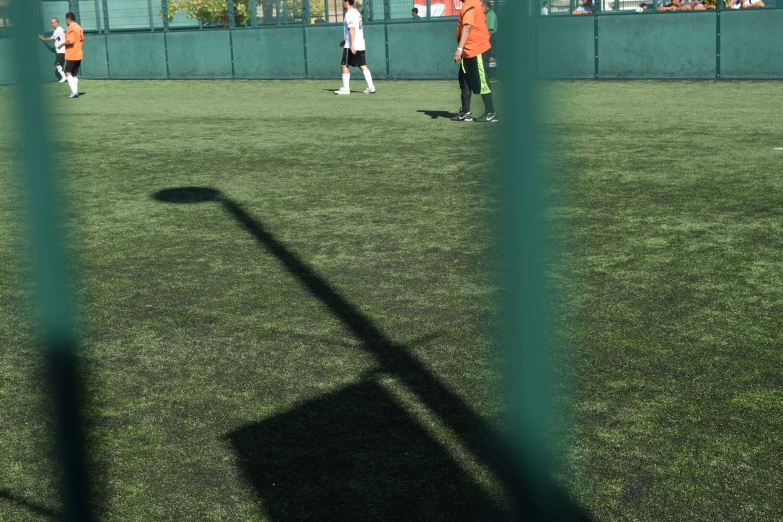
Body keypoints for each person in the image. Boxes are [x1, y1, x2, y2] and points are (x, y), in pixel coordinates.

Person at [451, 0, 497, 122]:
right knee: (464, 79)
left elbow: (467, 26)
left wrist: (459, 49)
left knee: (482, 81)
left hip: (476, 49)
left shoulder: (470, 3)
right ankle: (466, 113)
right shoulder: (474, 3)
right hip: (469, 50)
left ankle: (491, 113)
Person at [334, 0, 376, 95]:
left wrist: (352, 44)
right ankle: (371, 87)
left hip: (352, 45)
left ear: (347, 2)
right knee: (362, 64)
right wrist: (345, 40)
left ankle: (346, 89)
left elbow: (352, 28)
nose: (342, 3)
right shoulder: (356, 12)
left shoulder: (350, 13)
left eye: (343, 1)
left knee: (344, 64)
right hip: (360, 43)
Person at [60, 12, 84, 99]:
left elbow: (70, 41)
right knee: (74, 73)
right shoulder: (79, 27)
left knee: (67, 72)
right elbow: (81, 40)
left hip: (71, 54)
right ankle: (75, 92)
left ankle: (74, 92)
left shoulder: (71, 28)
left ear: (68, 19)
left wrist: (62, 44)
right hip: (78, 53)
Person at [38, 18, 67, 83]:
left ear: (57, 23)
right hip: (60, 50)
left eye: (53, 23)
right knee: (61, 65)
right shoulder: (59, 30)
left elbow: (51, 39)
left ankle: (64, 76)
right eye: (51, 23)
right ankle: (66, 76)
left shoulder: (58, 30)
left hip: (61, 50)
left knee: (57, 64)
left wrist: (43, 38)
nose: (52, 24)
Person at [481, 0, 497, 81]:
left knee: (491, 57)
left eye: (482, 5)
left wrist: (485, 41)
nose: (481, 7)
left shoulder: (491, 14)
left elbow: (490, 30)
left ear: (486, 5)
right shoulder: (483, 14)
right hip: (484, 38)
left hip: (490, 38)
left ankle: (493, 77)